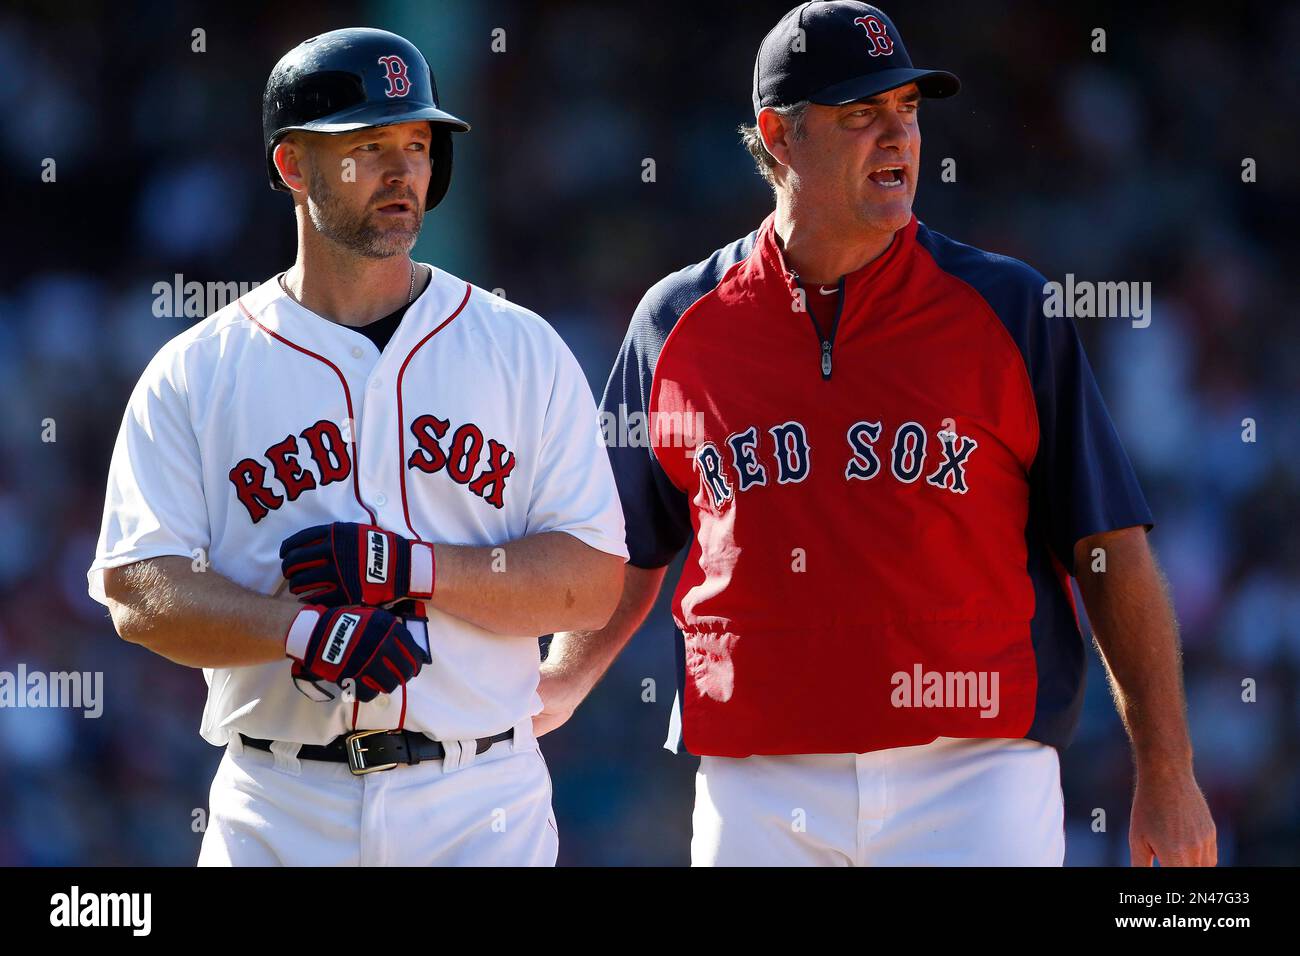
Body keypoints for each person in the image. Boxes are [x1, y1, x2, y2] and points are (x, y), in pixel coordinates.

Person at [537, 1, 1216, 866]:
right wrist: (560, 683)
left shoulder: (1009, 309)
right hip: (757, 782)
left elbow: (1107, 547)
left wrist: (1167, 767)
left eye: (908, 110)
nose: (897, 137)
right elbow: (625, 550)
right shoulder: (676, 321)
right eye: (861, 114)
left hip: (975, 776)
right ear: (779, 136)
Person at [87, 27, 627, 867]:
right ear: (294, 166)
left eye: (416, 144)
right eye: (370, 145)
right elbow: (139, 589)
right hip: (278, 805)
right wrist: (307, 632)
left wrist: (413, 570)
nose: (403, 170)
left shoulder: (521, 349)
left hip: (479, 799)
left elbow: (591, 581)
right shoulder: (197, 370)